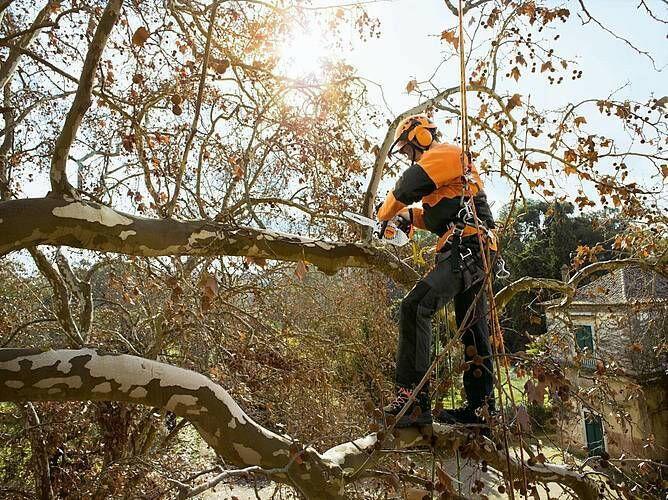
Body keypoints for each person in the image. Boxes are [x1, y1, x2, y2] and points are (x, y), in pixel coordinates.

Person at [376, 114, 497, 428]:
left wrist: (386, 212)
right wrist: (406, 218)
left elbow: (407, 185)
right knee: (472, 329)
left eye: (406, 150)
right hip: (471, 247)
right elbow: (433, 217)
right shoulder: (446, 179)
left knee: (415, 306)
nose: (406, 156)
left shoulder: (445, 153)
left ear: (421, 137)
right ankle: (480, 411)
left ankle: (413, 400)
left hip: (468, 247)